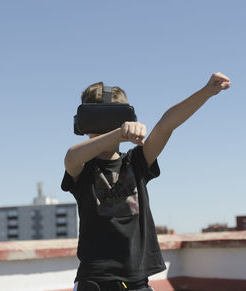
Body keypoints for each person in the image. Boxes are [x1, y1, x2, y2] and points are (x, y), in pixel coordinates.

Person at [61, 72, 231, 291]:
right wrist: (118, 133)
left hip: (137, 282)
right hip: (94, 282)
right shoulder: (83, 168)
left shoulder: (136, 162)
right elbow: (71, 157)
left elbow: (166, 125)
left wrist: (207, 91)